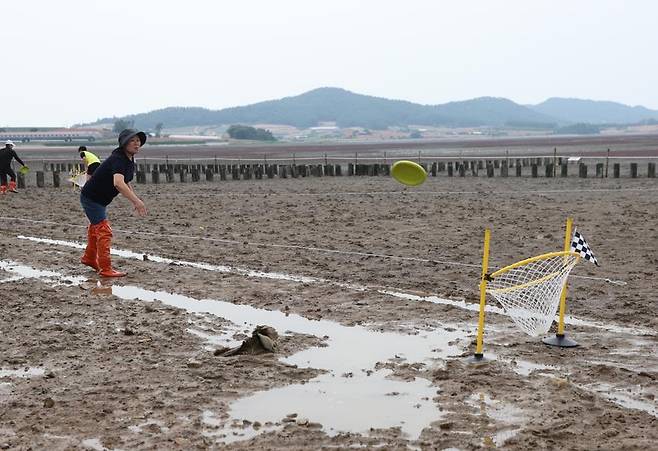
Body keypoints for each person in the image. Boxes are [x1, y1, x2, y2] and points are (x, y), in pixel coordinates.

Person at [79, 129, 148, 277]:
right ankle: (106, 269)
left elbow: (125, 181)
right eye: (132, 140)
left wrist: (135, 200)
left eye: (138, 141)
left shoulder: (129, 159)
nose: (137, 144)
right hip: (92, 198)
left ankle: (89, 258)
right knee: (104, 231)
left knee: (96, 228)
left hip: (100, 200)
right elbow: (118, 183)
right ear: (124, 143)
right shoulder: (118, 158)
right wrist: (136, 201)